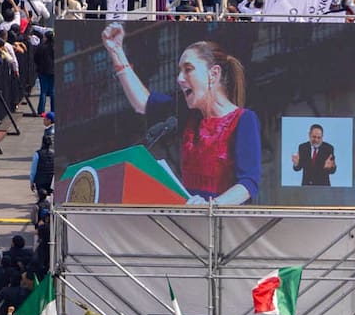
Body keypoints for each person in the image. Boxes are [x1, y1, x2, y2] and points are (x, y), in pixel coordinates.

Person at [101, 22, 260, 204]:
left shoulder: (243, 119)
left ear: (213, 74)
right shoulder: (187, 115)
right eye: (179, 71)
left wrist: (211, 207)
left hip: (225, 226)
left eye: (188, 69)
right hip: (187, 222)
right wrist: (116, 52)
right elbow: (142, 103)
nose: (179, 78)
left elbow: (248, 184)